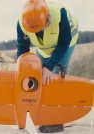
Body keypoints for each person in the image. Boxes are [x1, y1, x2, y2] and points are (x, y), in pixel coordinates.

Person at [16, 0, 78, 133]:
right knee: (37, 77)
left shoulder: (60, 15)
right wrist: (22, 70)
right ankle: (38, 113)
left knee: (55, 78)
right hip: (44, 47)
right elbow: (23, 48)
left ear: (47, 19)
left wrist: (49, 67)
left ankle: (56, 121)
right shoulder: (22, 22)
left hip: (66, 42)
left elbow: (64, 43)